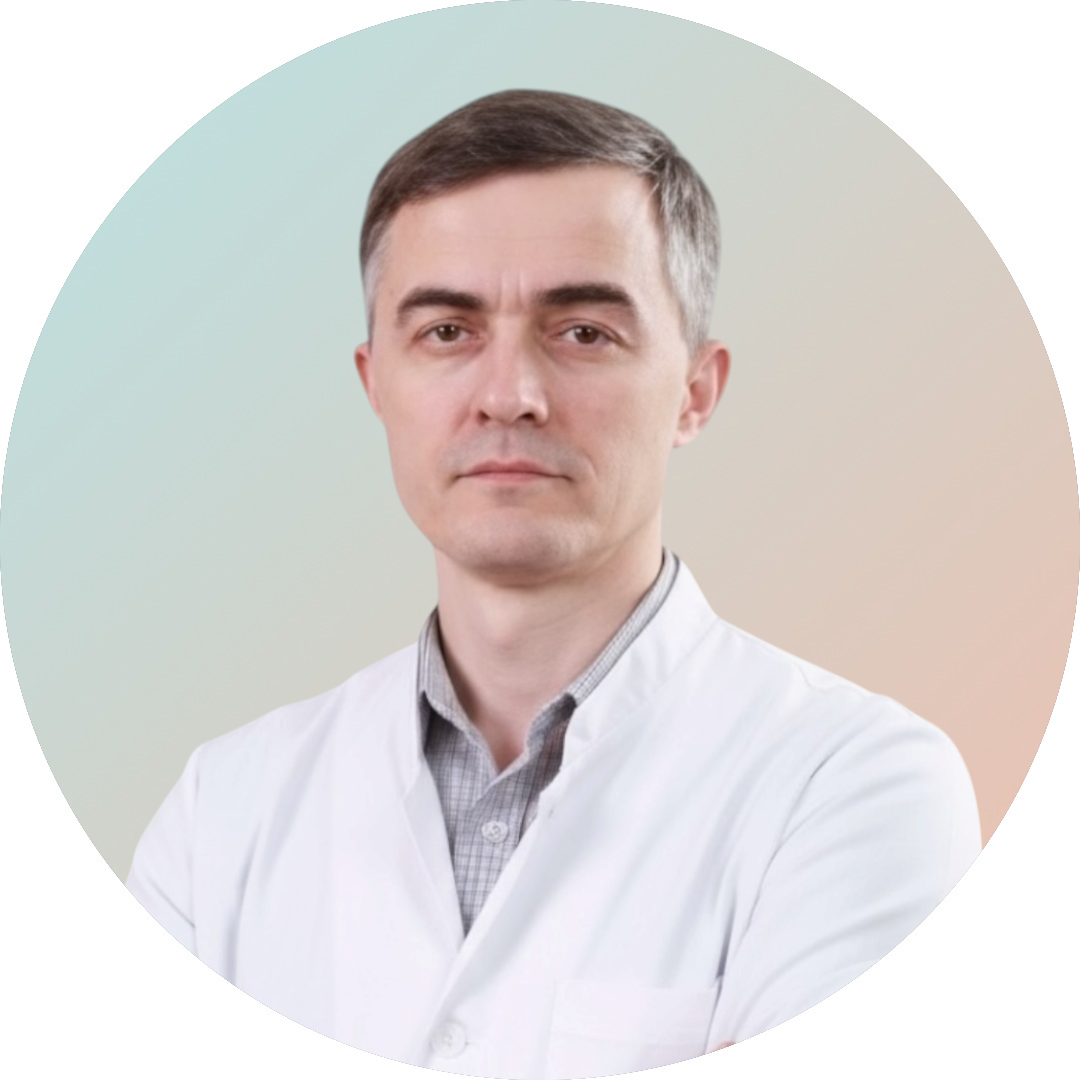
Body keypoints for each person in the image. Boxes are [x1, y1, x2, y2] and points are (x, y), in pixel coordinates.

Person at [127, 90, 981, 1078]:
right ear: (375, 384)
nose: (509, 396)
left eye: (582, 332)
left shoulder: (860, 787)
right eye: (447, 331)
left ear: (696, 392)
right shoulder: (221, 811)